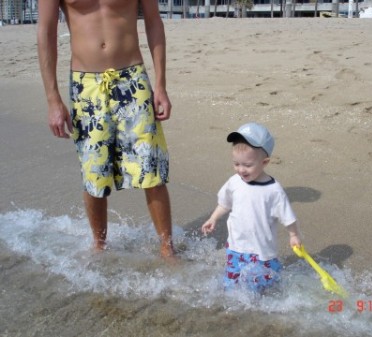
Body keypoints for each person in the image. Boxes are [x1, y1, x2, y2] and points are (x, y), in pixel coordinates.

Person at [37, 0, 175, 258]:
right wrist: (52, 99)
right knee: (94, 172)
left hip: (132, 79)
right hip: (85, 84)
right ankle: (100, 247)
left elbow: (154, 21)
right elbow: (46, 32)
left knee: (150, 168)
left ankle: (167, 248)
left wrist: (161, 84)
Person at [202, 122, 301, 292]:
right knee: (231, 286)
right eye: (236, 164)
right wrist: (214, 218)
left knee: (260, 289)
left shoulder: (273, 190)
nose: (241, 170)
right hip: (235, 247)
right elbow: (224, 203)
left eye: (247, 165)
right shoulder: (234, 182)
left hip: (261, 251)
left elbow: (287, 217)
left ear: (265, 162)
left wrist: (294, 235)